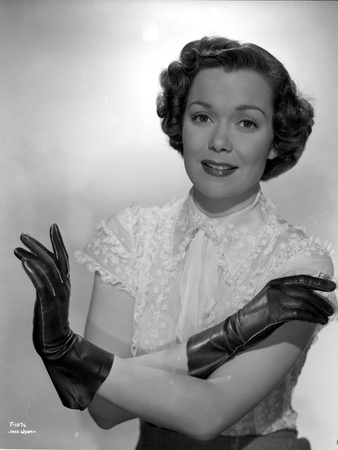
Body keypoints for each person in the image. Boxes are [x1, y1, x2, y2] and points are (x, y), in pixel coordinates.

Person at [15, 36, 337, 449]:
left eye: (247, 122)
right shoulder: (129, 237)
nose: (220, 141)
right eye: (203, 117)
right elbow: (104, 409)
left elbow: (207, 414)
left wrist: (74, 357)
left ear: (276, 140)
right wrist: (230, 334)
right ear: (180, 125)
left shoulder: (300, 266)